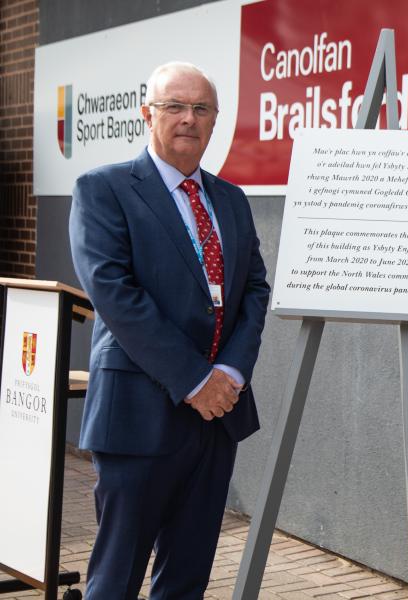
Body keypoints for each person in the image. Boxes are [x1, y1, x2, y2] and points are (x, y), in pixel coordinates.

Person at [69, 61, 270, 598]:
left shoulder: (230, 199)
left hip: (215, 419)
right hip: (138, 414)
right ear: (147, 114)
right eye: (174, 107)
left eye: (201, 108)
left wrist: (227, 373)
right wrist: (194, 380)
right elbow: (115, 295)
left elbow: (254, 289)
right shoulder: (103, 189)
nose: (188, 119)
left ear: (215, 119)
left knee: (186, 578)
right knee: (115, 577)